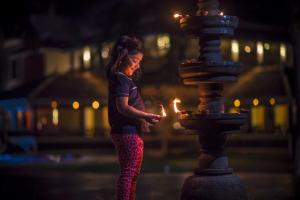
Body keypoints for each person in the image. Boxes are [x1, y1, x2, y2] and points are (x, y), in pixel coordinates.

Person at [106, 35, 161, 200]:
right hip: (127, 133)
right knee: (129, 173)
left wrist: (143, 120)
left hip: (127, 132)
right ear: (122, 57)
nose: (138, 66)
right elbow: (122, 107)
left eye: (140, 61)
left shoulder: (122, 79)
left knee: (131, 173)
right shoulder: (122, 79)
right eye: (135, 60)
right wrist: (146, 116)